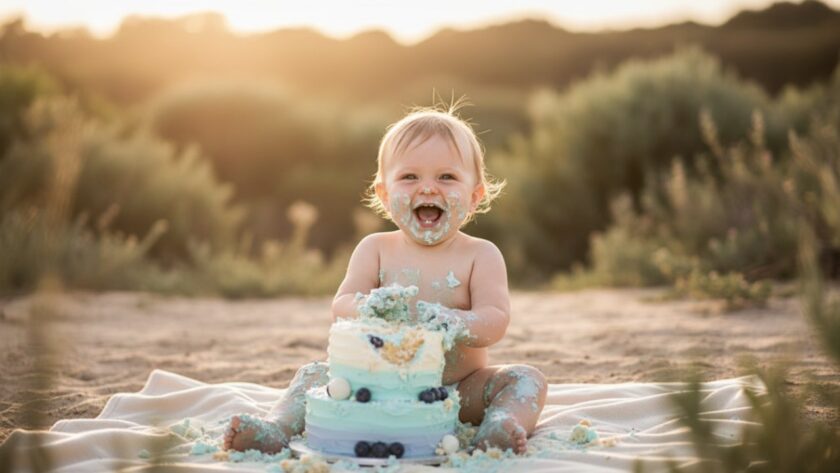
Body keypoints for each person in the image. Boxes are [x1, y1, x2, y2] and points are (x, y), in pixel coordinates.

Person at [224, 103, 547, 455]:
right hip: (375, 386)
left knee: (526, 378)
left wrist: (455, 321)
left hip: (456, 393)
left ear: (474, 196)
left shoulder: (480, 255)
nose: (428, 188)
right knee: (312, 374)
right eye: (409, 177)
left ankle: (500, 425)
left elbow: (495, 320)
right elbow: (341, 305)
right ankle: (275, 427)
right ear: (384, 194)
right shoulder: (375, 249)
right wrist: (368, 308)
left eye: (446, 177)